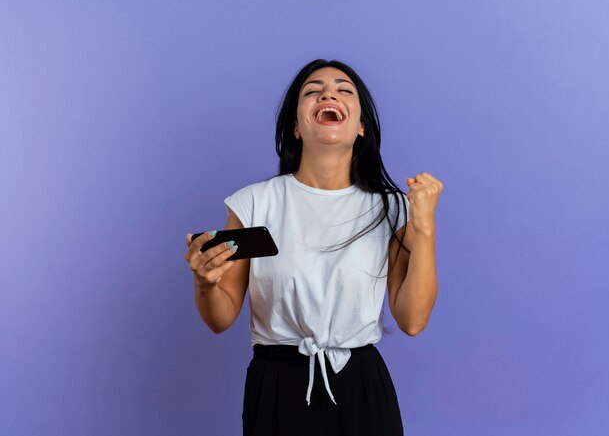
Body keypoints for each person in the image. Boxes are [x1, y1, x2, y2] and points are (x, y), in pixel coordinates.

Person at [184, 59, 443, 436]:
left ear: (361, 127)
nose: (328, 93)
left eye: (344, 89)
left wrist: (425, 228)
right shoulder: (254, 204)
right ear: (296, 126)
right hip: (276, 384)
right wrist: (205, 282)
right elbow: (220, 319)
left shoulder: (392, 208)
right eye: (312, 90)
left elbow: (413, 320)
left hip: (360, 386)